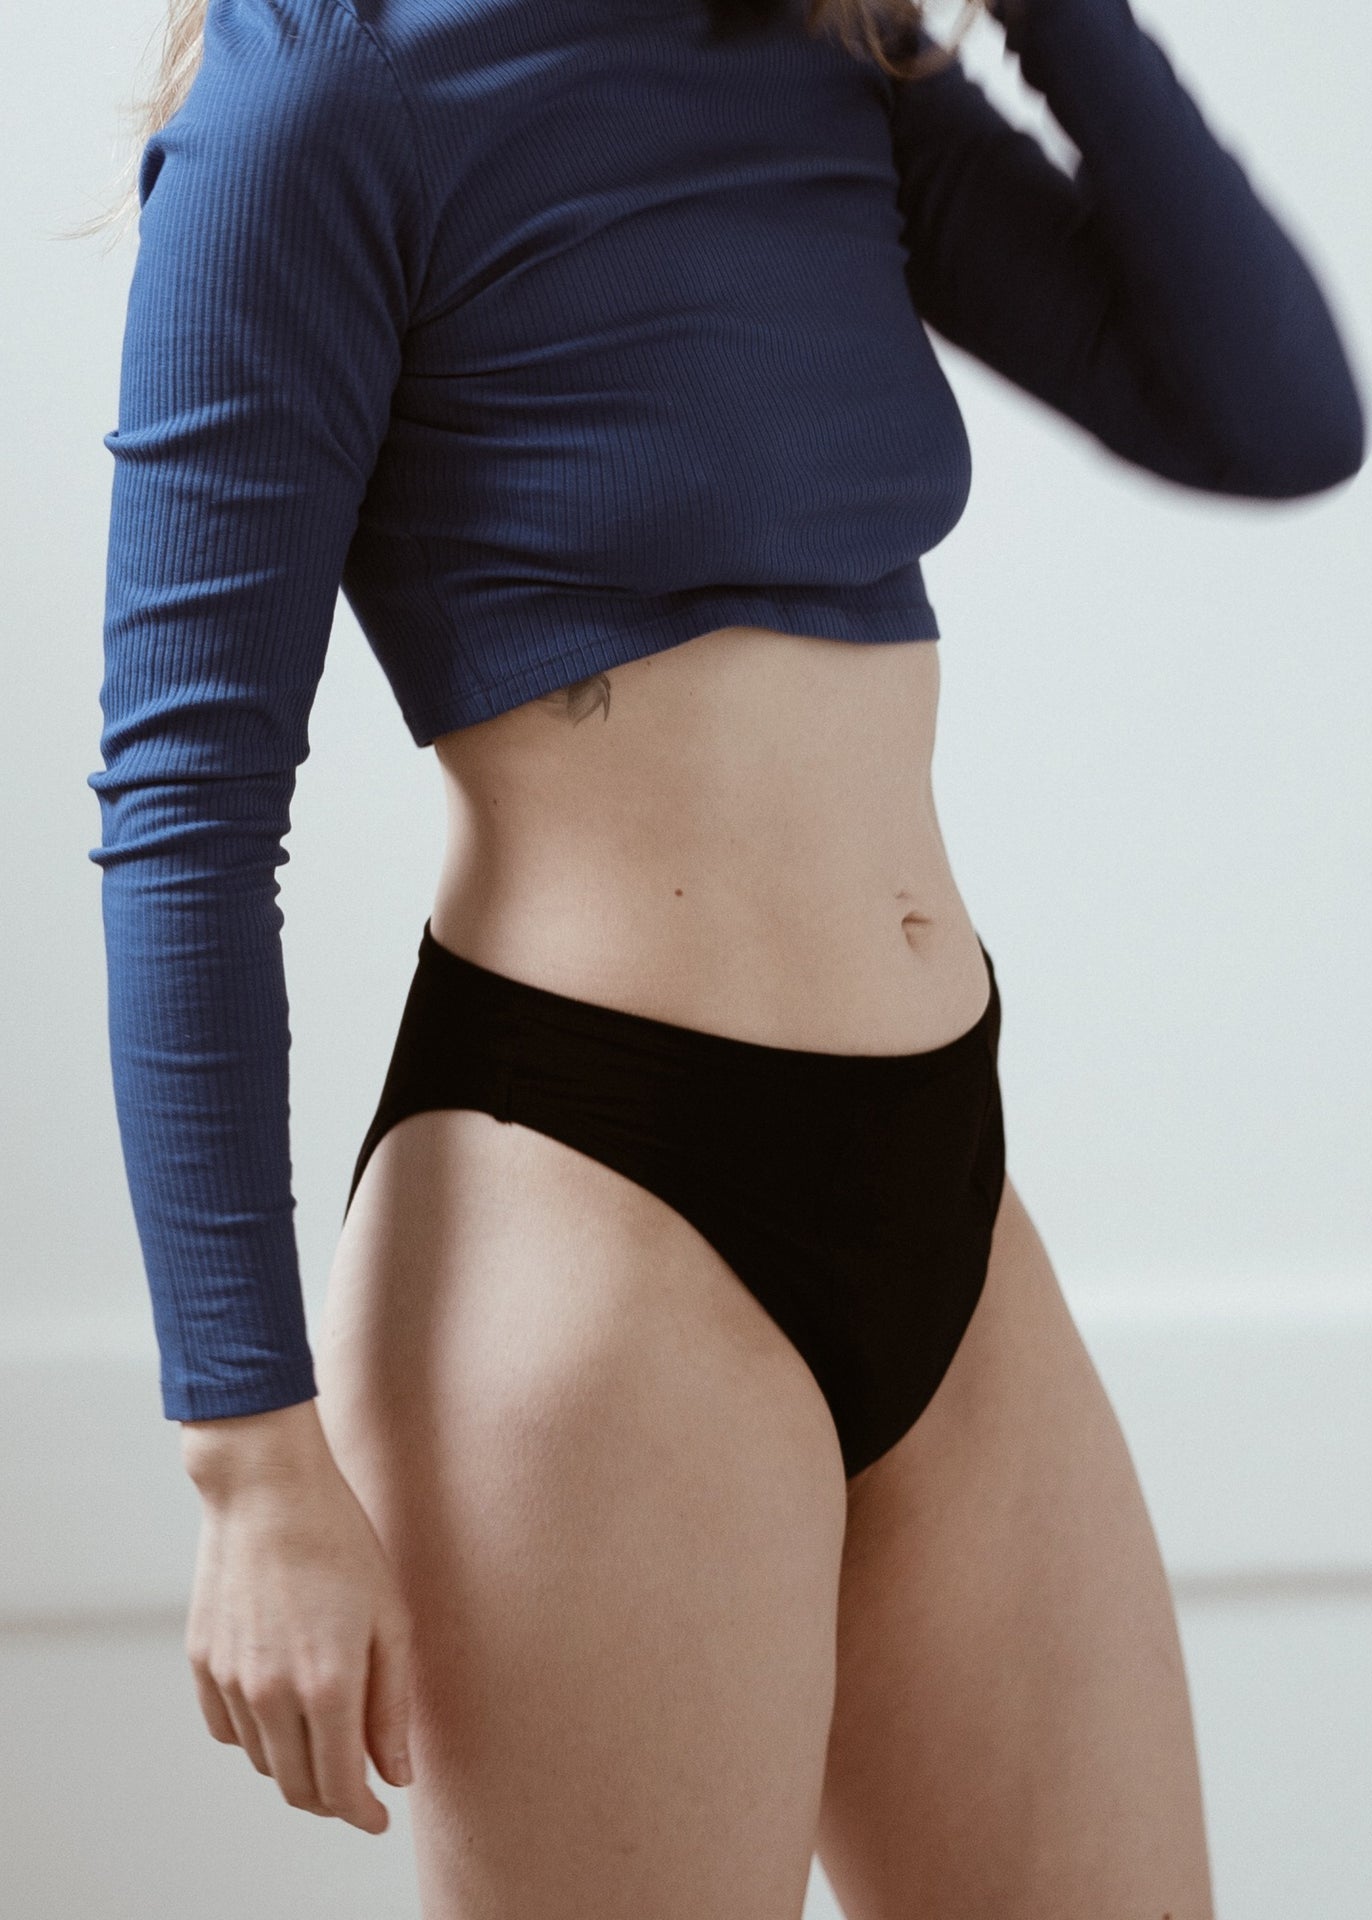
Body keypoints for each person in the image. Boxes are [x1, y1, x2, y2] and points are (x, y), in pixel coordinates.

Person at [84, 0, 1363, 1912]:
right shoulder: (325, 83)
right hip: (601, 1217)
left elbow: (1278, 416)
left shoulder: (825, 44)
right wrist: (246, 1457)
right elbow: (186, 801)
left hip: (943, 1177)